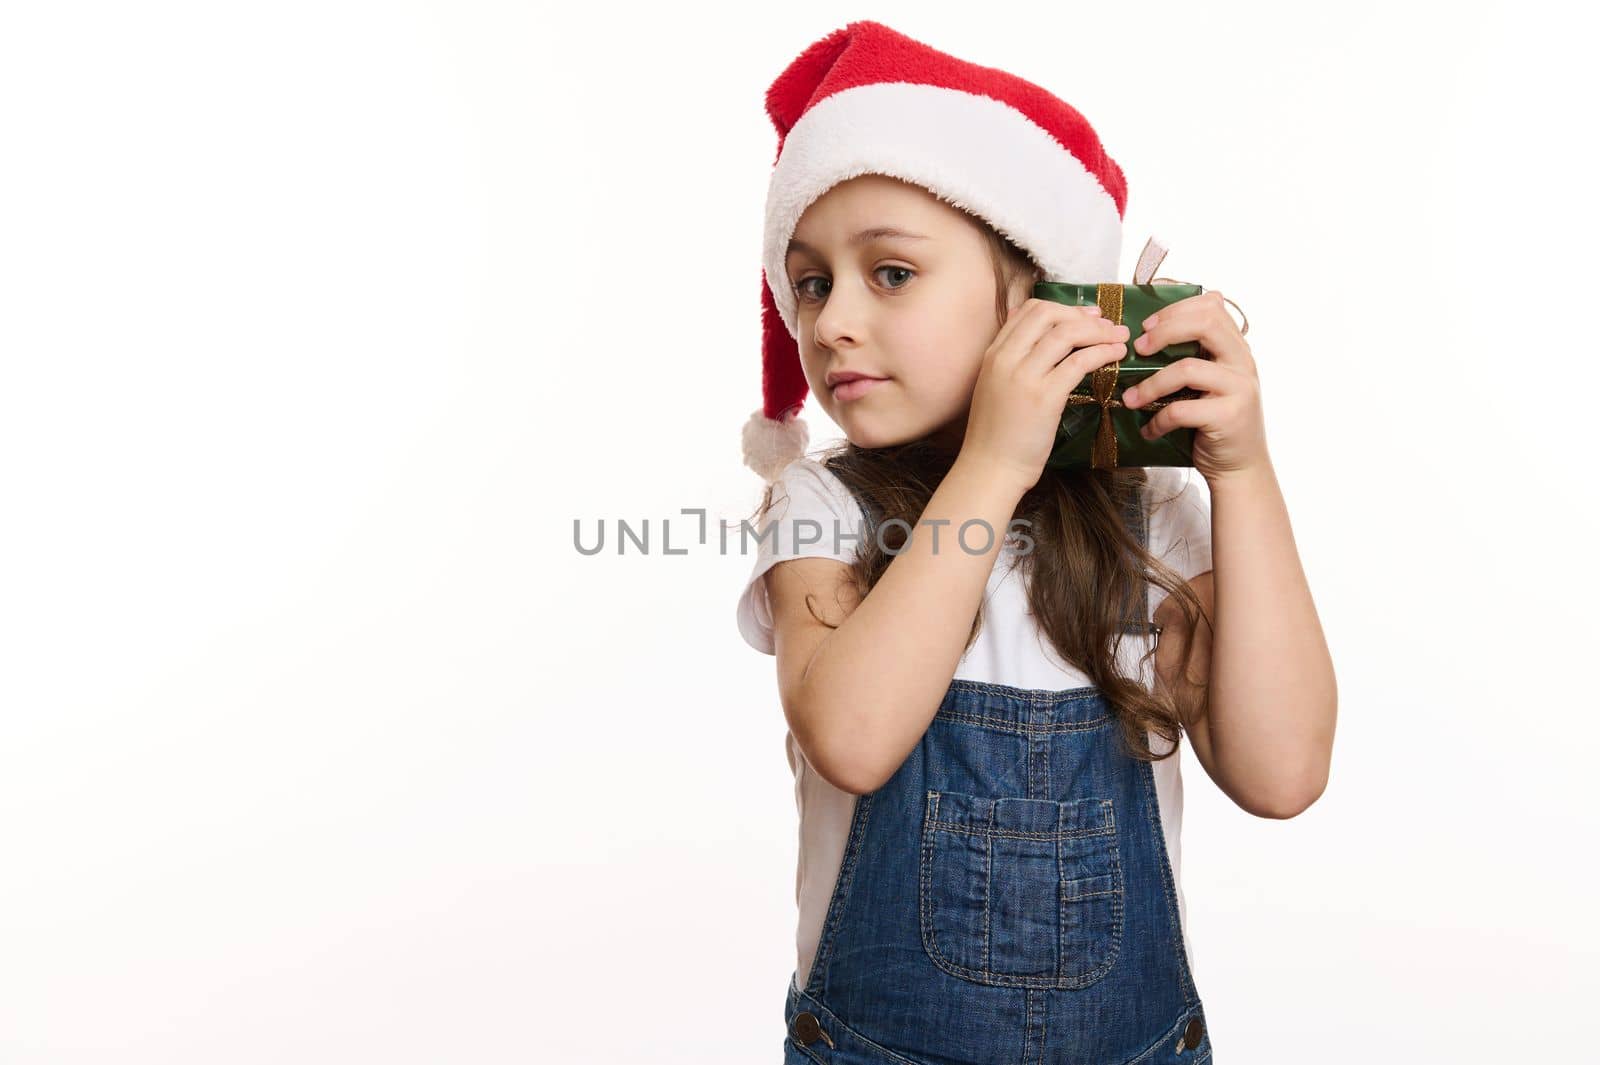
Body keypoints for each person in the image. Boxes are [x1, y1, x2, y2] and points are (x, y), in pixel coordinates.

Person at [733, 21, 1337, 1065]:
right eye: (812, 282)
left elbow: (1280, 774)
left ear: (1038, 296)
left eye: (889, 274)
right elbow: (854, 737)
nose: (826, 321)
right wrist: (994, 464)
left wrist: (1241, 473)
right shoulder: (820, 502)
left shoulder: (1145, 518)